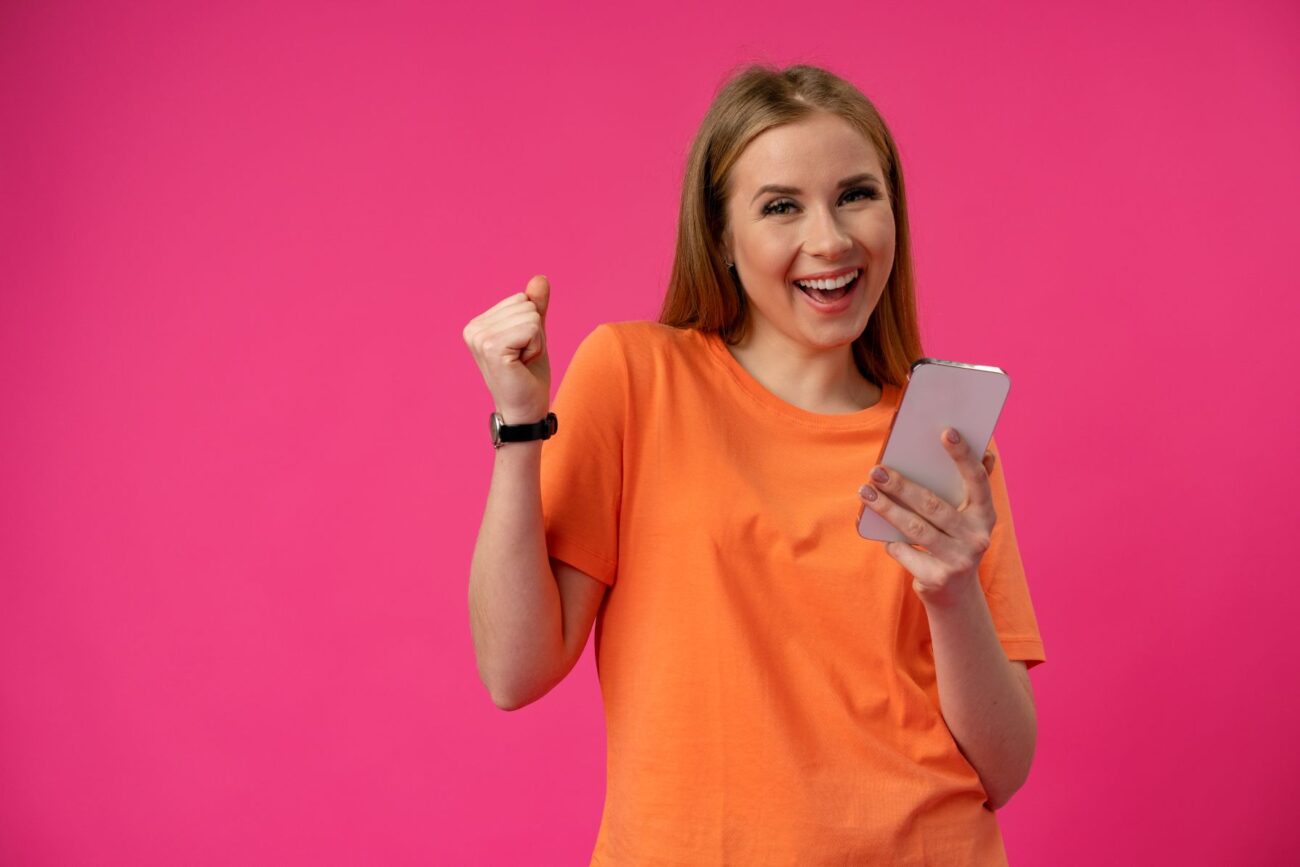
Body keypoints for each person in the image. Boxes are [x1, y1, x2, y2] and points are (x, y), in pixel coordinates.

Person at [464, 62, 1045, 866]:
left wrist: (950, 592)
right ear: (723, 238)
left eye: (856, 194)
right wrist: (521, 426)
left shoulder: (944, 438)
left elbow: (1005, 768)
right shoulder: (637, 377)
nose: (831, 240)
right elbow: (512, 669)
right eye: (781, 207)